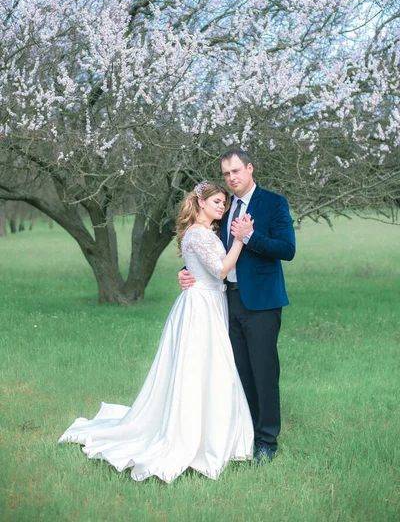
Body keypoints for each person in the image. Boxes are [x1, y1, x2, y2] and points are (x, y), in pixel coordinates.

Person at [58, 182, 254, 483]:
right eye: (216, 201)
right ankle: (194, 435)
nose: (222, 207)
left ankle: (215, 431)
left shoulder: (205, 232)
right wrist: (240, 240)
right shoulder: (199, 234)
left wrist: (188, 271)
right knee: (200, 370)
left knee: (213, 369)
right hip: (201, 308)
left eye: (224, 203)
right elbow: (220, 270)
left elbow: (202, 269)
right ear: (200, 203)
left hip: (210, 303)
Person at [179, 149, 296, 463]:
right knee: (240, 372)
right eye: (226, 174)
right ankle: (246, 433)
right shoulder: (225, 207)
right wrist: (187, 271)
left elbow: (287, 249)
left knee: (264, 371)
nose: (231, 178)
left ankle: (267, 442)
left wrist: (252, 235)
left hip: (262, 303)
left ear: (249, 168)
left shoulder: (273, 203)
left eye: (236, 171)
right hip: (226, 301)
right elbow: (207, 248)